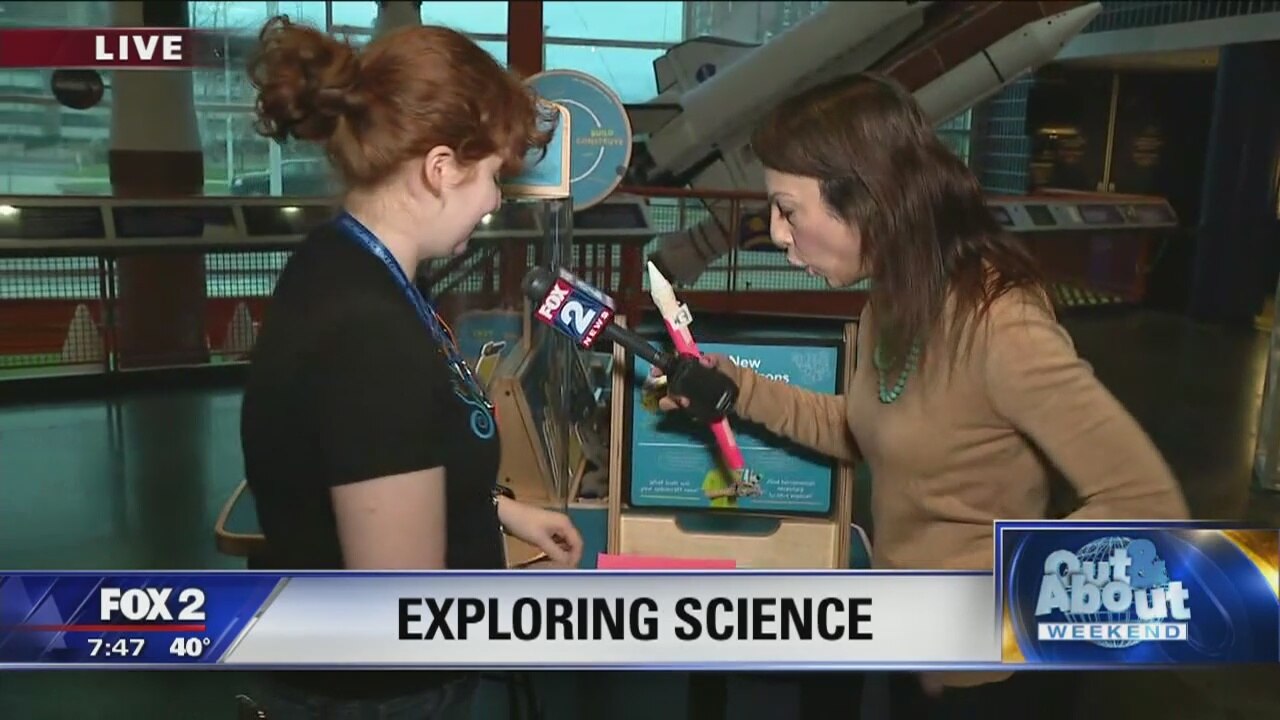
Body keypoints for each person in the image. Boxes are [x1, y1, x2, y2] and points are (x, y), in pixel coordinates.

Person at [655, 73, 1190, 718]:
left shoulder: (1000, 325)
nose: (776, 232)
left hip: (993, 684)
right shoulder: (893, 299)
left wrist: (989, 620)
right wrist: (735, 387)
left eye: (789, 210)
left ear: (868, 199)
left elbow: (1146, 507)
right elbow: (866, 424)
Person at [238, 16, 583, 718]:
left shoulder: (338, 262)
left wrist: (499, 511)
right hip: (382, 699)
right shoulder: (369, 332)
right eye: (492, 176)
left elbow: (381, 459)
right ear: (441, 168)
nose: (494, 200)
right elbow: (405, 604)